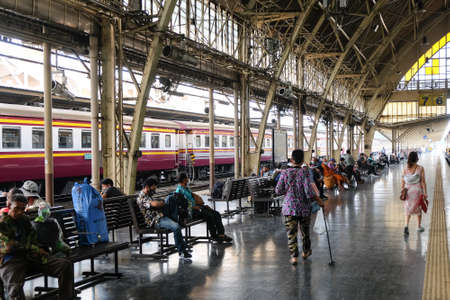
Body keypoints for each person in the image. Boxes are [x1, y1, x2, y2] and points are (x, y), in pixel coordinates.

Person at [0, 194, 76, 300]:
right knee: (15, 288)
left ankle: (67, 297)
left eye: (22, 209)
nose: (20, 212)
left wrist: (40, 249)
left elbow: (33, 238)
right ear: (8, 205)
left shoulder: (24, 220)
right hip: (12, 260)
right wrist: (34, 248)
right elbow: (9, 247)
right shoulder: (2, 223)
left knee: (65, 265)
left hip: (31, 257)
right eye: (16, 208)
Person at [275, 149, 325, 265]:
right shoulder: (305, 172)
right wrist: (319, 201)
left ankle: (294, 257)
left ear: (291, 159)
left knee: (291, 234)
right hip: (304, 208)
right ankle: (306, 252)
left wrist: (288, 191)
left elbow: (278, 190)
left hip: (289, 208)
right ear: (302, 160)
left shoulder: (285, 172)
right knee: (305, 232)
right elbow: (309, 192)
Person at [136, 178, 192, 259]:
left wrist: (162, 203)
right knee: (176, 227)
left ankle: (178, 219)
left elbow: (157, 204)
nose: (154, 191)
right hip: (155, 221)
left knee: (172, 197)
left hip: (161, 217)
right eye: (153, 189)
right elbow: (155, 204)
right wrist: (163, 203)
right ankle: (182, 251)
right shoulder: (141, 198)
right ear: (147, 187)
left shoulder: (148, 196)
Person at [176, 173, 232, 243]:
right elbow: (183, 205)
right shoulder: (179, 191)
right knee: (209, 215)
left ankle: (221, 234)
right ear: (184, 180)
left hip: (197, 207)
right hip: (191, 211)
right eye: (187, 178)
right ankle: (214, 235)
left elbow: (193, 199)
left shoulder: (186, 188)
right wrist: (196, 207)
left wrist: (202, 206)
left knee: (216, 213)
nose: (188, 179)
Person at [401, 152, 427, 235]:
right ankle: (419, 226)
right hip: (417, 191)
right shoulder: (420, 168)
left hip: (408, 191)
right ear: (417, 158)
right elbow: (423, 182)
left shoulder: (405, 169)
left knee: (408, 209)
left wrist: (403, 191)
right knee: (418, 208)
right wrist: (425, 192)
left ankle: (406, 226)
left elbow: (403, 181)